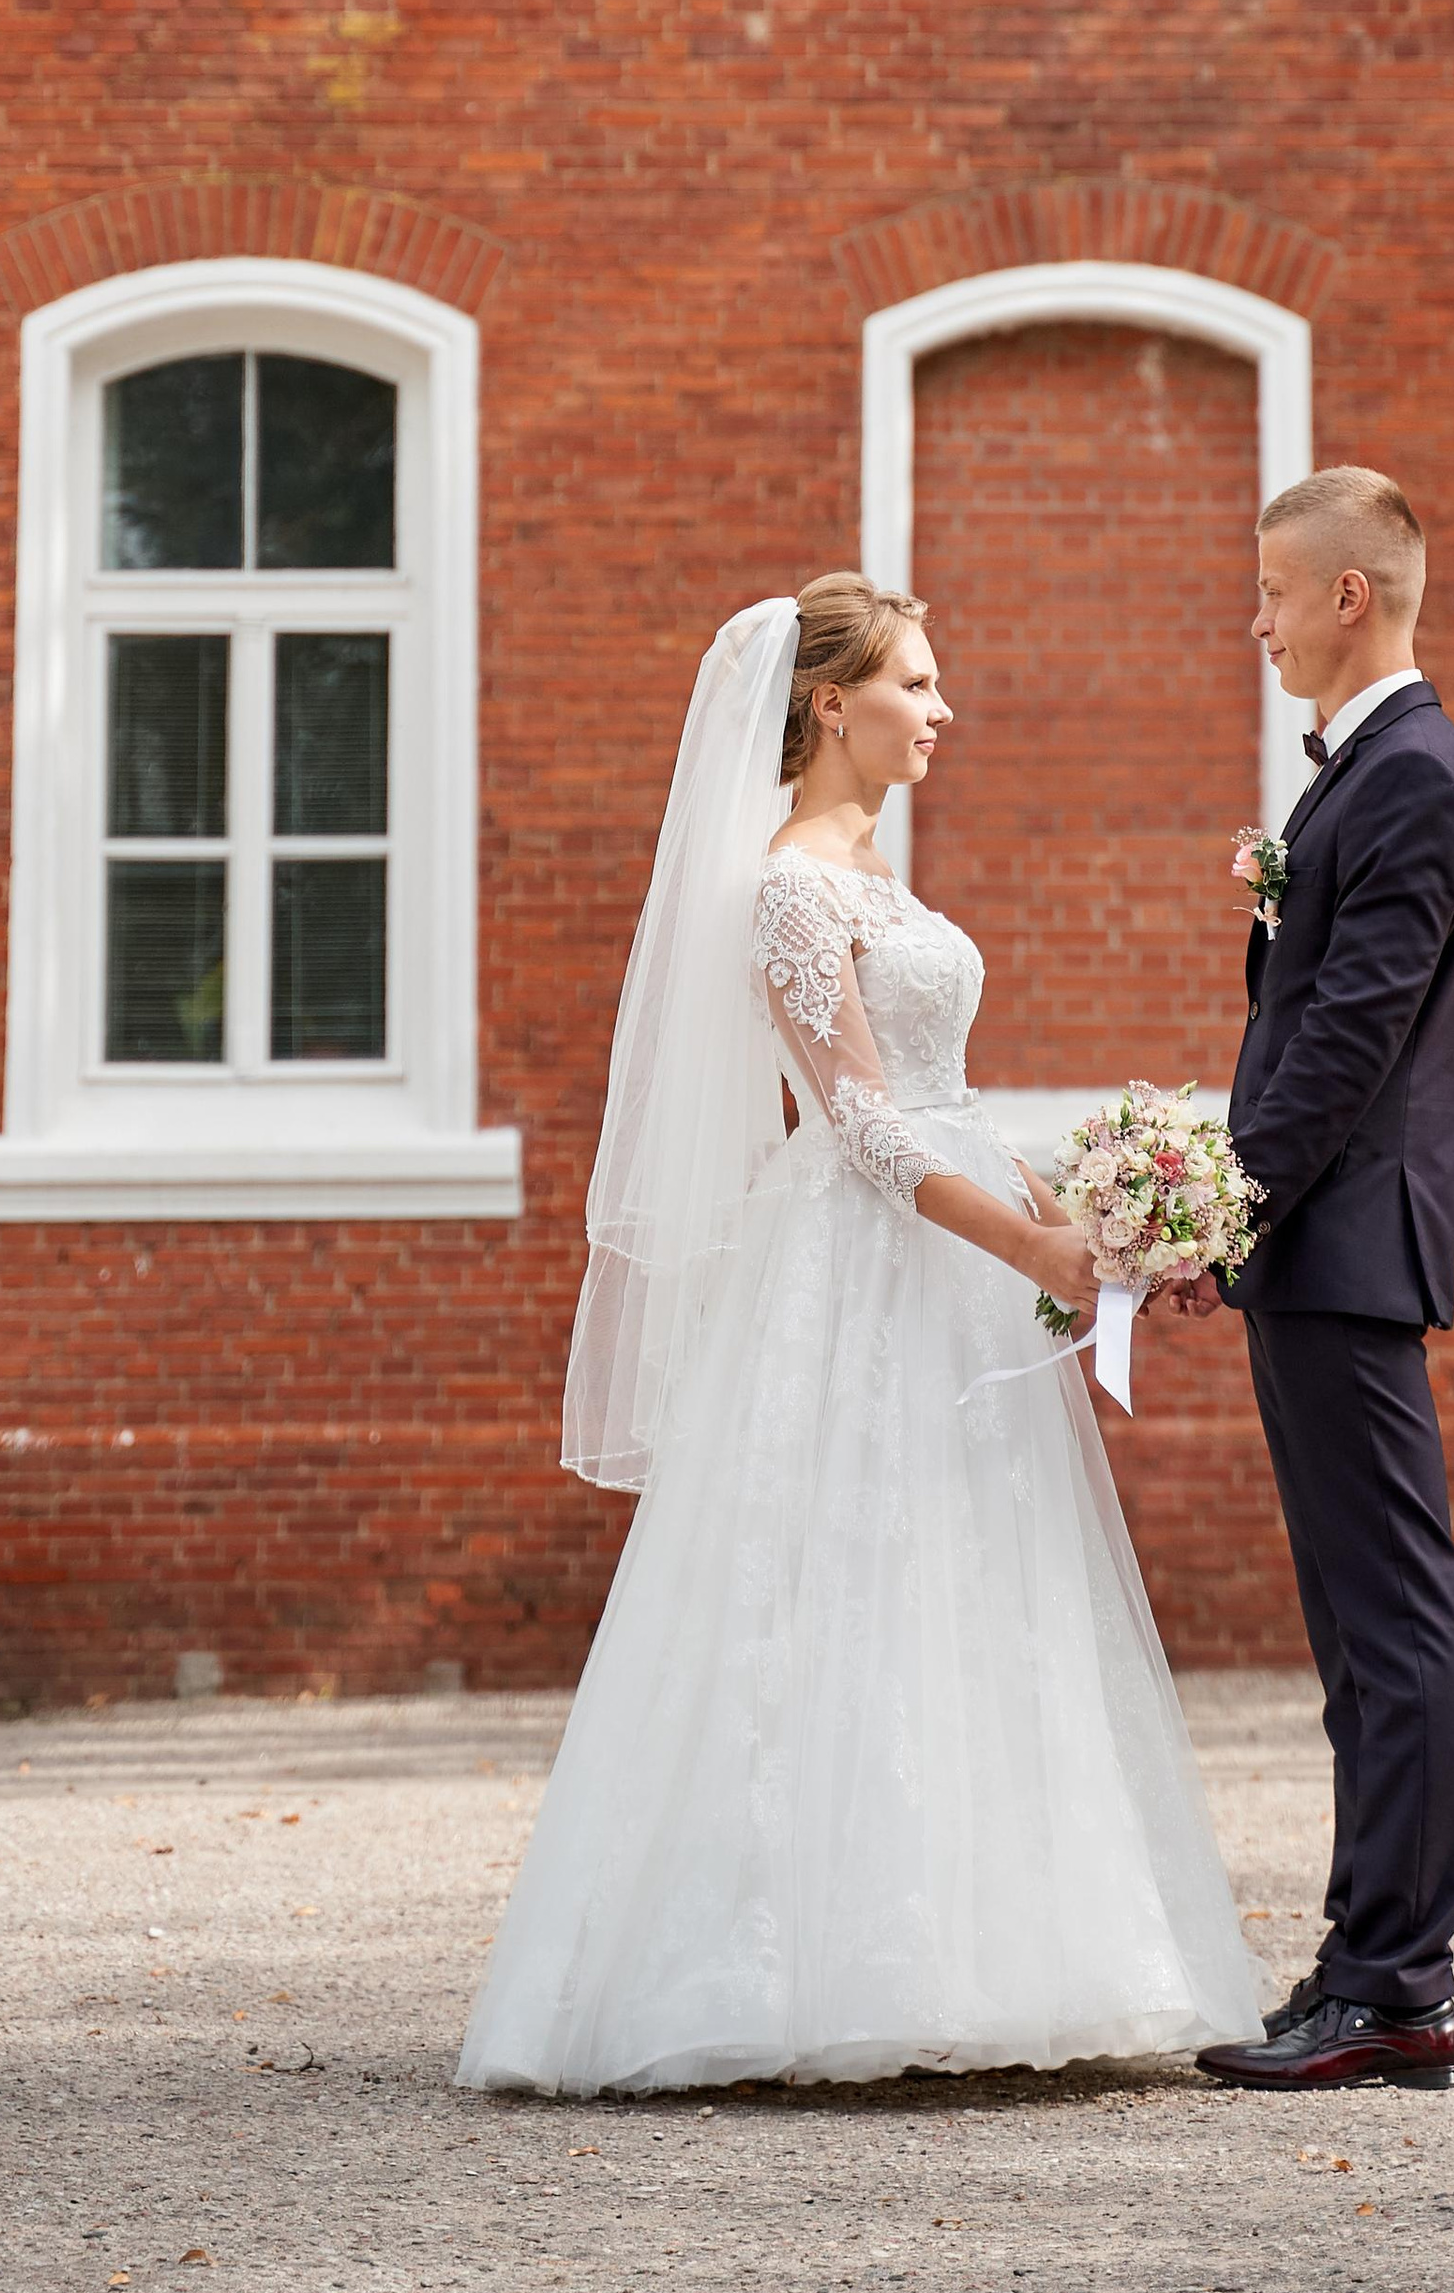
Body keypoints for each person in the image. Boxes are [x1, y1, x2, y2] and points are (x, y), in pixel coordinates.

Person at [456, 575, 1260, 2096]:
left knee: (975, 1577)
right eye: (917, 683)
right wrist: (1026, 1242)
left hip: (954, 1253)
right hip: (859, 1264)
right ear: (834, 704)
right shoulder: (790, 888)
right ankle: (794, 1969)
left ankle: (1002, 1958)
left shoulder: (881, 879)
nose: (943, 710)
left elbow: (945, 1099)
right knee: (840, 1576)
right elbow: (864, 1123)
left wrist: (1088, 1209)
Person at [1173, 468, 1454, 2096]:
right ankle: (1364, 1961)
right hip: (1319, 1248)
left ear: (1348, 595)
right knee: (1359, 1633)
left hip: (1348, 1245)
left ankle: (1399, 1986)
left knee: (1393, 1623)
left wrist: (1218, 1211)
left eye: (1273, 592)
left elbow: (1349, 1042)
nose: (1259, 622)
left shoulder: (1417, 775)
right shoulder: (1368, 773)